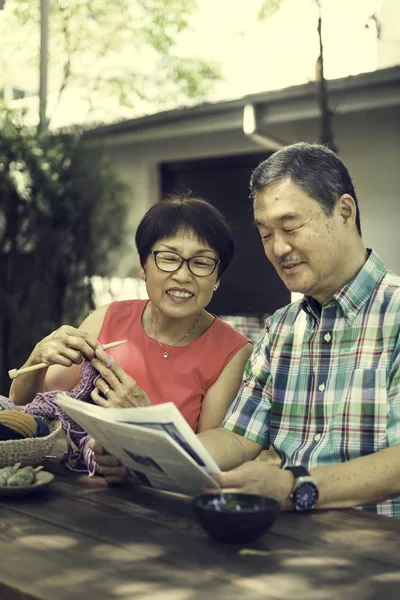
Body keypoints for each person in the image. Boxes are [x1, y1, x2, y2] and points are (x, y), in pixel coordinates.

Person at [196, 142, 400, 519]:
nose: (278, 248)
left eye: (290, 226)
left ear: (344, 212)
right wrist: (151, 456)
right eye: (265, 234)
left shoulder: (395, 314)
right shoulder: (281, 328)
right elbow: (238, 435)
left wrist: (295, 486)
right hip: (288, 540)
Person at [10, 196, 252, 479]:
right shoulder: (106, 318)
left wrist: (144, 428)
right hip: (80, 491)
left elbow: (208, 464)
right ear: (143, 266)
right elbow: (23, 409)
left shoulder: (233, 352)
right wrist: (38, 354)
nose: (183, 275)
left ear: (218, 276)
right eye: (168, 258)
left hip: (166, 506)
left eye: (201, 262)